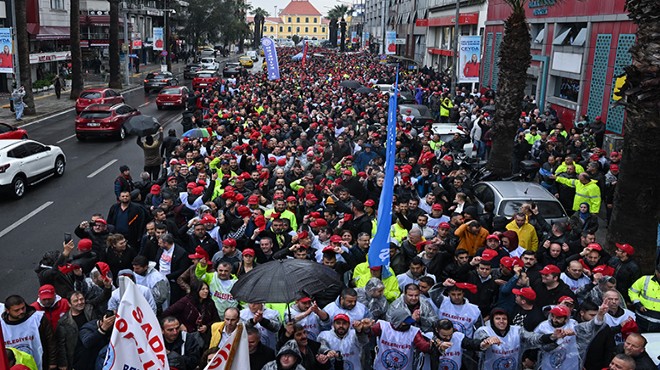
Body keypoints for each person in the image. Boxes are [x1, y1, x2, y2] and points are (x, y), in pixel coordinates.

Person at [474, 308, 568, 370]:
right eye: (498, 319)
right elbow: (479, 342)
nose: (501, 321)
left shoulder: (517, 331)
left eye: (504, 318)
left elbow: (533, 338)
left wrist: (552, 336)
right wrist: (486, 341)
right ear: (492, 321)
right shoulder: (484, 331)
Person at [534, 302, 608, 370]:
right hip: (548, 365)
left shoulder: (573, 325)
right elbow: (541, 347)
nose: (554, 319)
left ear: (566, 318)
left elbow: (590, 327)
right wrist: (556, 338)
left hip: (570, 365)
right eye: (553, 316)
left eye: (558, 317)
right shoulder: (543, 327)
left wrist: (600, 315)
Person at [2, 295, 57, 370]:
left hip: (41, 362)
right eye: (16, 310)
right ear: (7, 310)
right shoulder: (2, 325)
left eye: (23, 308)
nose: (21, 312)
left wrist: (52, 362)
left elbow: (51, 341)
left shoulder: (38, 318)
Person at [55, 291, 96, 369]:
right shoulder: (63, 322)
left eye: (81, 299)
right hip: (78, 357)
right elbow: (61, 345)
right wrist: (63, 363)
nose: (80, 302)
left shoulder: (90, 310)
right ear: (69, 304)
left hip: (94, 350)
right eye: (76, 301)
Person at [628, 262, 660, 333]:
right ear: (656, 271)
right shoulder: (645, 279)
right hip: (641, 320)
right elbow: (632, 291)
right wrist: (637, 304)